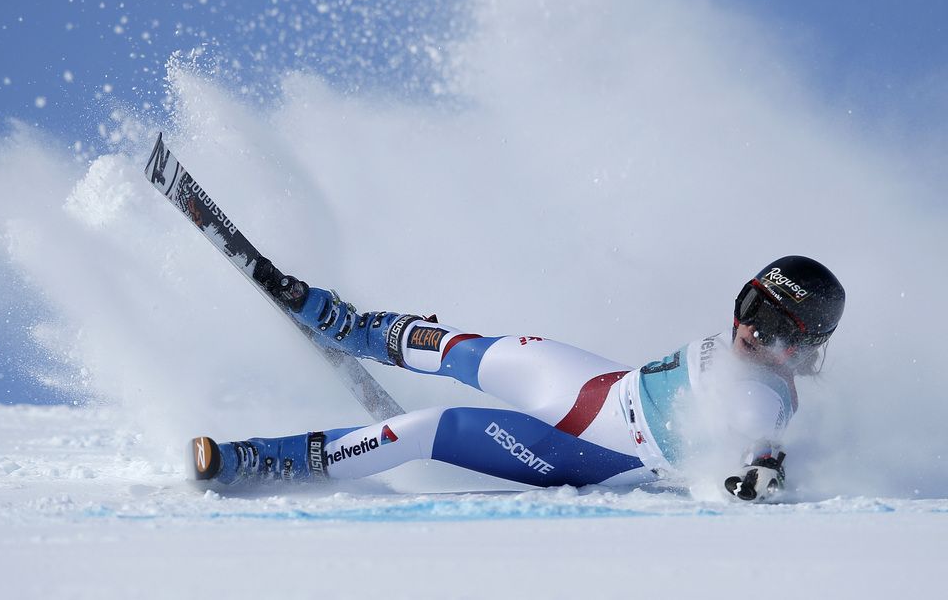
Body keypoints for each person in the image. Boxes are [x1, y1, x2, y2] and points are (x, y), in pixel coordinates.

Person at [187, 255, 845, 502]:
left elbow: (764, 442)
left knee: (431, 428)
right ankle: (340, 319)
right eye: (756, 309)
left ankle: (260, 461)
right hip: (599, 386)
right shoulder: (743, 352)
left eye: (781, 330)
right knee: (457, 346)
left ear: (802, 349)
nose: (755, 332)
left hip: (599, 451)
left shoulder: (764, 392)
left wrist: (759, 472)